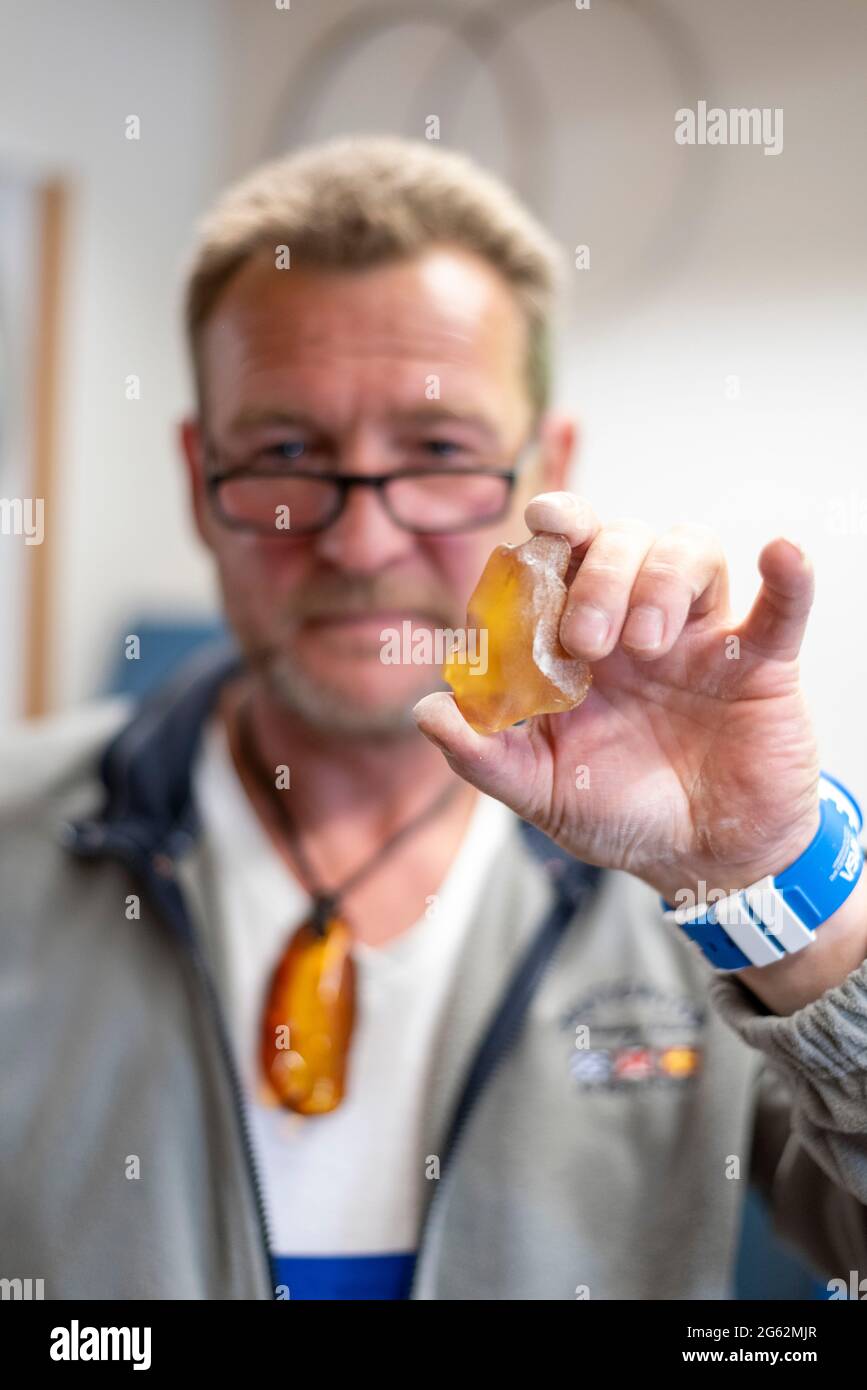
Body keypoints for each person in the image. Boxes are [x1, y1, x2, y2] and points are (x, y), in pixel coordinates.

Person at [2, 135, 865, 1302]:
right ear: (200, 475)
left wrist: (773, 886)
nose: (359, 543)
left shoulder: (689, 888)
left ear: (542, 466)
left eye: (439, 451)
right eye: (286, 452)